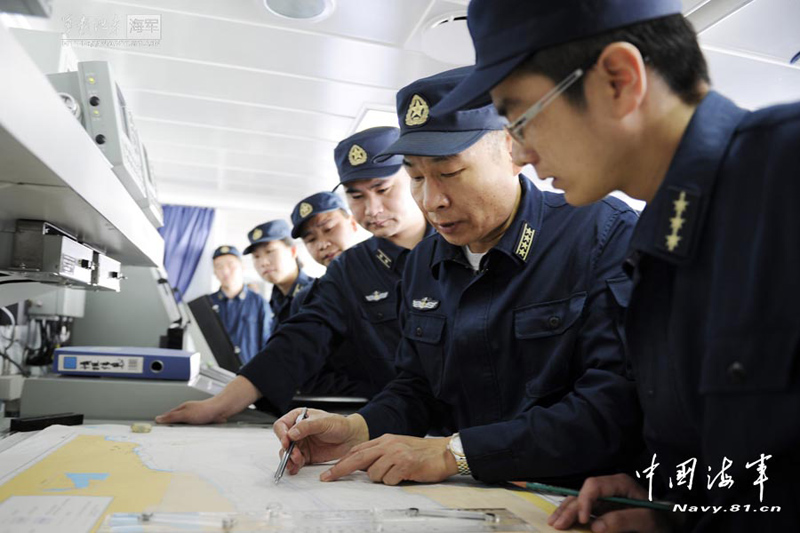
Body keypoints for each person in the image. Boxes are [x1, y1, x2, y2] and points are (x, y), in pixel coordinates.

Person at [435, 1, 800, 531]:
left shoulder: (786, 172)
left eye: (522, 119)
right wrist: (668, 501)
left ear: (618, 81)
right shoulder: (654, 244)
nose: (521, 156)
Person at [272, 68, 641, 489]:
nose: (431, 201)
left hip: (572, 498)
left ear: (513, 149)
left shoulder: (599, 233)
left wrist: (456, 453)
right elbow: (417, 387)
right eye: (414, 178)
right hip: (471, 499)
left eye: (448, 173)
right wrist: (357, 428)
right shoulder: (423, 261)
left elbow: (614, 402)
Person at [155, 126, 429, 421]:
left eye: (383, 189)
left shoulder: (463, 244)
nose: (373, 209)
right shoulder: (349, 270)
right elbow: (300, 339)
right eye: (357, 196)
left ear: (416, 177)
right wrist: (221, 405)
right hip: (398, 423)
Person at [242, 219, 314, 334]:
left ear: (292, 251)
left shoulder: (314, 294)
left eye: (270, 251)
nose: (263, 262)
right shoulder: (273, 301)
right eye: (256, 256)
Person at [209, 245, 271, 365]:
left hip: (249, 374)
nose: (225, 271)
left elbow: (267, 343)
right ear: (214, 272)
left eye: (230, 264)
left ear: (242, 267)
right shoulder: (208, 304)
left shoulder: (258, 302)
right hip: (215, 372)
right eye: (219, 266)